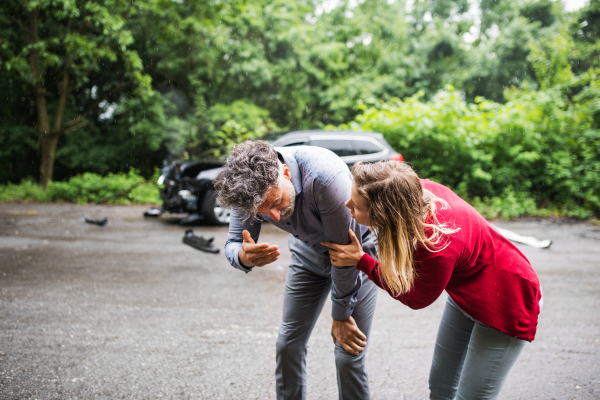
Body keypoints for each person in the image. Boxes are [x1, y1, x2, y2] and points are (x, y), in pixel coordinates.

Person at [321, 160, 542, 400]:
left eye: (357, 205)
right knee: (441, 387)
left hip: (506, 299)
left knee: (472, 397)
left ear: (386, 215)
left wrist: (363, 261)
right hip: (467, 292)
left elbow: (416, 297)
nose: (347, 204)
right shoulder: (412, 192)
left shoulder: (436, 246)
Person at [213, 140, 379, 400]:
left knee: (348, 354)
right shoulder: (245, 188)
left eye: (276, 202)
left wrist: (340, 314)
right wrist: (243, 257)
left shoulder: (326, 178)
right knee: (288, 344)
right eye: (262, 212)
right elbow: (233, 245)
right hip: (307, 253)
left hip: (355, 254)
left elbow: (344, 253)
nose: (275, 217)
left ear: (286, 174)